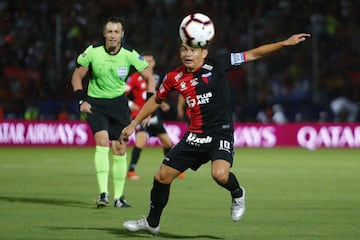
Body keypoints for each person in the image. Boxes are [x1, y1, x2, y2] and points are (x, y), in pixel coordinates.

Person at [119, 17, 310, 233]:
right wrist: (133, 123)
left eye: (192, 50)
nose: (187, 54)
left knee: (219, 175)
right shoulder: (173, 77)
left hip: (220, 132)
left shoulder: (218, 64)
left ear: (204, 52)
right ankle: (152, 223)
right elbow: (155, 100)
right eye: (184, 50)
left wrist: (284, 43)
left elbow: (253, 54)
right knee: (161, 176)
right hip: (195, 135)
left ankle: (237, 193)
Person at [71, 17, 156, 208]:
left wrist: (148, 107)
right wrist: (81, 100)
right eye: (109, 32)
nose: (112, 36)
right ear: (104, 34)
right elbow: (77, 76)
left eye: (116, 32)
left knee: (120, 148)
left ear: (122, 35)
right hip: (95, 104)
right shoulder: (92, 53)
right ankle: (103, 194)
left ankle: (119, 197)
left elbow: (150, 78)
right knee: (101, 141)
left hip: (119, 106)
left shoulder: (129, 55)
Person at [125, 52, 185, 180]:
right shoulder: (134, 77)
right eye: (145, 61)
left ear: (154, 63)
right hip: (140, 115)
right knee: (141, 142)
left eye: (151, 61)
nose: (148, 63)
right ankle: (131, 170)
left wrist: (162, 104)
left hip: (154, 115)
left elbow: (157, 96)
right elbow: (122, 93)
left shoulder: (156, 78)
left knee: (167, 143)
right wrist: (130, 104)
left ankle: (173, 169)